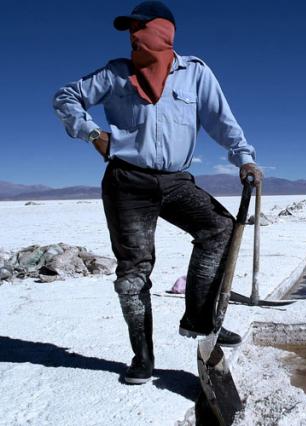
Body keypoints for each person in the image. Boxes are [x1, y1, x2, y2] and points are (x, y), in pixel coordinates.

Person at [52, 1, 262, 385]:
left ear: (164, 31)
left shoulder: (194, 74)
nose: (133, 36)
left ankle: (200, 321)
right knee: (134, 273)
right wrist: (91, 132)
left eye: (139, 27)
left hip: (176, 179)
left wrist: (244, 159)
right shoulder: (115, 74)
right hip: (127, 181)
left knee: (219, 228)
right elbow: (66, 97)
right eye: (129, 30)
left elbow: (222, 122)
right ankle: (143, 357)